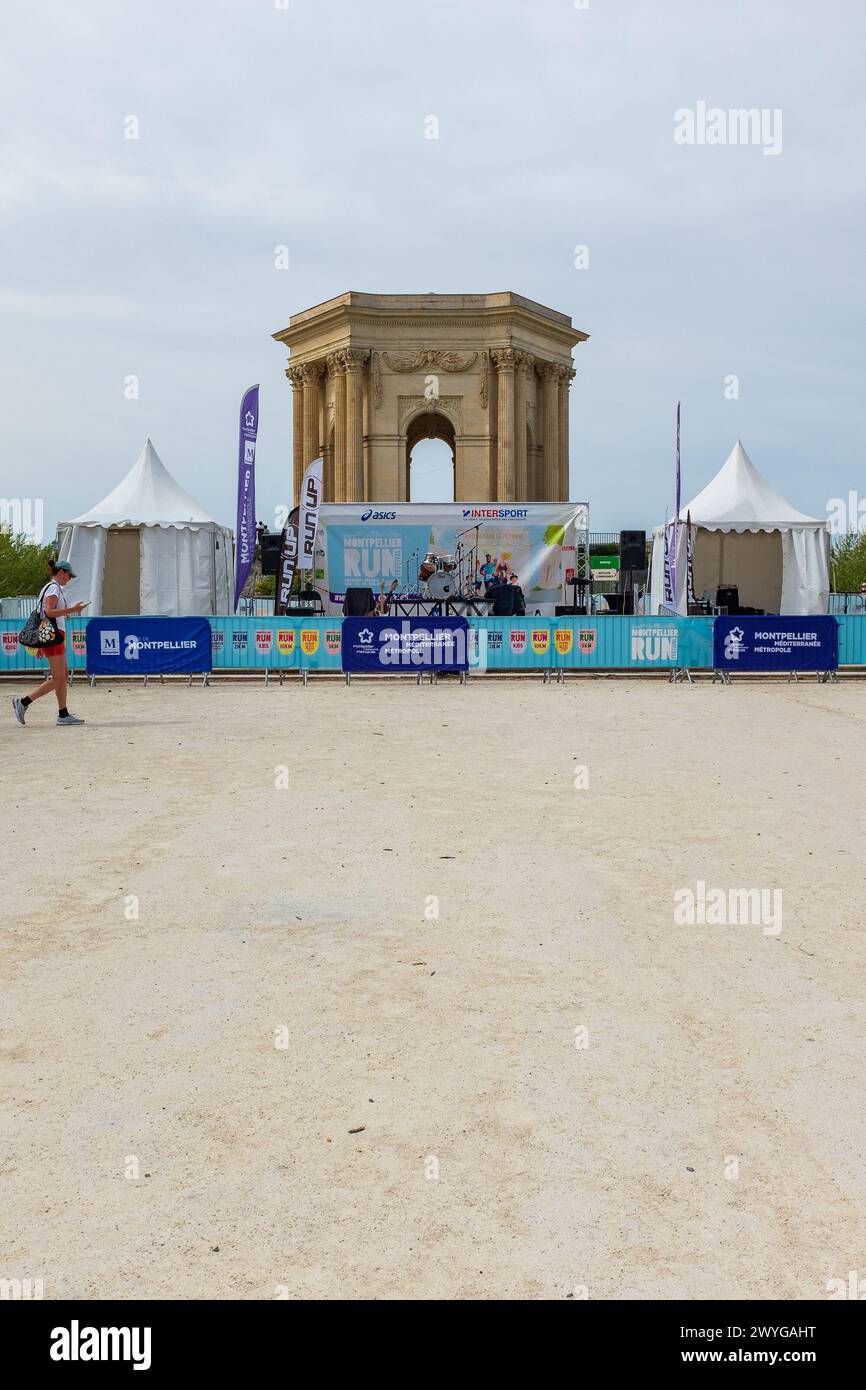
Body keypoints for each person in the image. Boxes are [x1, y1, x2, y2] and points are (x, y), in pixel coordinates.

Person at [12, 560, 87, 727]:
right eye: (68, 575)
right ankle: (23, 702)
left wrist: (42, 642)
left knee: (62, 676)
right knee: (59, 678)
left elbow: (45, 614)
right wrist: (72, 610)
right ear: (60, 572)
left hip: (53, 636)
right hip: (54, 635)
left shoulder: (53, 588)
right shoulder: (53, 588)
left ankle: (63, 713)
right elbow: (49, 611)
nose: (69, 579)